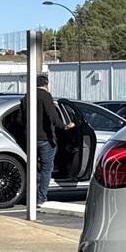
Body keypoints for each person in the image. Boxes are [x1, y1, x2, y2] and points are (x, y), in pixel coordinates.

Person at [34, 74, 74, 206]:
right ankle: (41, 198)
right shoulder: (46, 96)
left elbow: (20, 118)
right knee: (47, 168)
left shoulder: (28, 97)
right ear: (46, 84)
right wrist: (64, 126)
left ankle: (32, 194)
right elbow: (52, 115)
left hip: (30, 139)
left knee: (35, 168)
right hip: (45, 138)